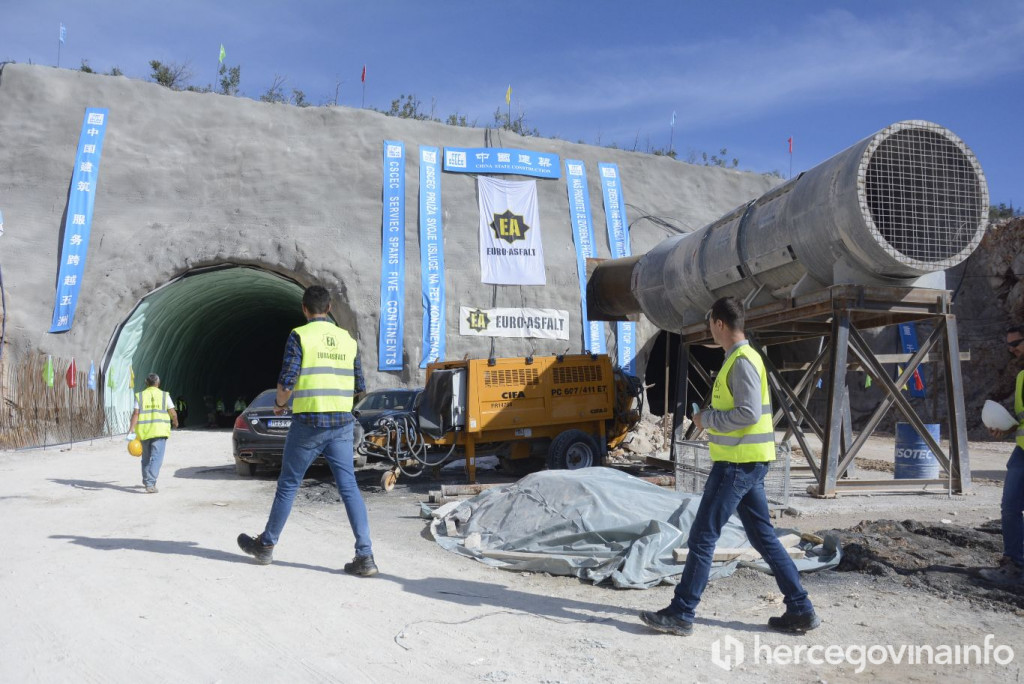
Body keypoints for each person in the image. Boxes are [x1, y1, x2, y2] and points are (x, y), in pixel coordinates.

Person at [640, 296, 818, 636]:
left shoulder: (742, 361)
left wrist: (707, 419)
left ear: (719, 324)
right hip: (745, 463)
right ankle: (801, 608)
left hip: (736, 464)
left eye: (711, 325)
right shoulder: (741, 358)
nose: (710, 331)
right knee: (763, 538)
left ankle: (682, 612)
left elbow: (747, 413)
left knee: (703, 537)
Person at [237, 285, 377, 576]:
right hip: (341, 423)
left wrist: (279, 404)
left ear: (304, 308)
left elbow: (287, 381)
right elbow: (359, 387)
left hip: (309, 424)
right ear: (329, 308)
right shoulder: (347, 340)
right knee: (349, 487)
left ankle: (266, 545)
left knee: (289, 484)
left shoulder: (300, 336)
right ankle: (365, 556)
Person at [981, 325, 1024, 584]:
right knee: (1010, 508)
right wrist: (1007, 429)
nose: (1012, 349)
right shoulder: (1021, 377)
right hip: (1021, 452)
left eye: (1016, 343)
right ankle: (1014, 565)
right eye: (1009, 345)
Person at [127, 373, 178, 494]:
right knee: (156, 458)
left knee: (146, 458)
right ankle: (150, 483)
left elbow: (136, 414)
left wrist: (131, 429)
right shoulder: (164, 395)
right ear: (158, 383)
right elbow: (172, 412)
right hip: (159, 431)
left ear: (146, 383)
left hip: (144, 432)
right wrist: (175, 422)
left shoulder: (140, 395)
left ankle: (147, 481)